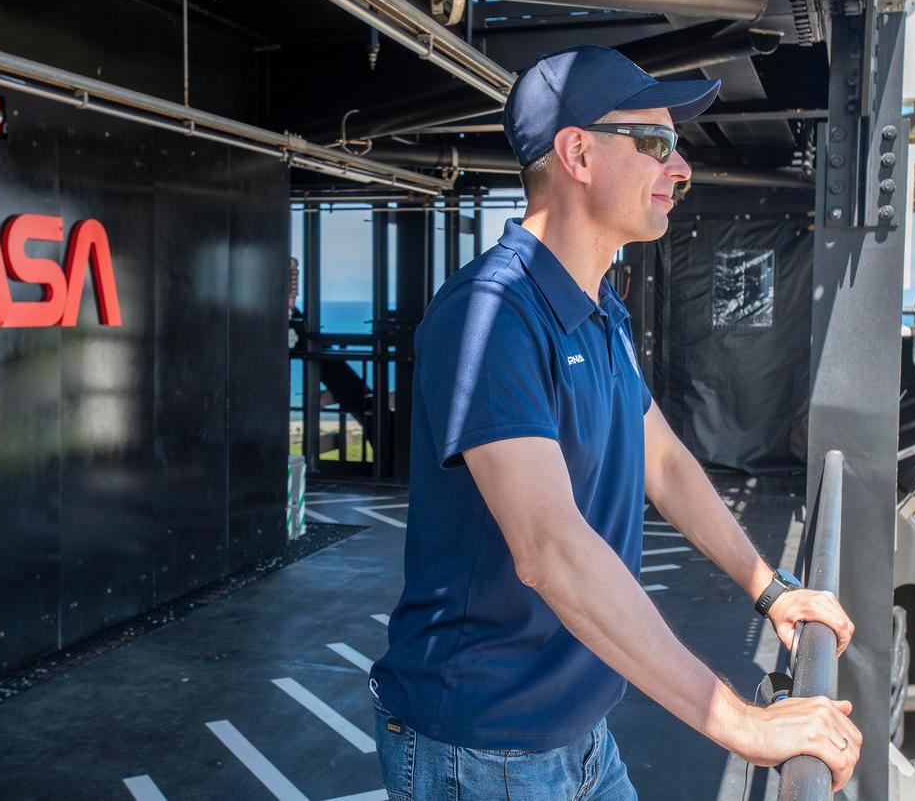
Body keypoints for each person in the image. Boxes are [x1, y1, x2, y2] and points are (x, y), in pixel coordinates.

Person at [368, 44, 860, 800]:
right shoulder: (492, 314)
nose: (681, 167)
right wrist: (743, 724)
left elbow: (660, 459)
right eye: (657, 143)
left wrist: (771, 588)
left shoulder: (597, 306)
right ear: (578, 154)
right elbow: (551, 551)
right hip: (486, 751)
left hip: (580, 731)